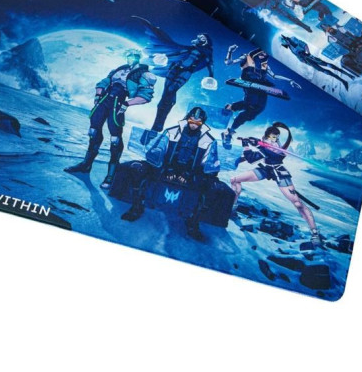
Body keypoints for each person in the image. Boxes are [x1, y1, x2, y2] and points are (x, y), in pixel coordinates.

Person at [120, 106, 219, 241]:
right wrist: (167, 168)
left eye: (198, 122)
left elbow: (209, 161)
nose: (194, 124)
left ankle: (193, 222)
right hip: (167, 167)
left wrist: (188, 174)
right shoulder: (172, 131)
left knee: (212, 186)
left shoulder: (208, 140)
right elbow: (157, 148)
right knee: (138, 169)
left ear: (202, 123)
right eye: (192, 120)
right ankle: (137, 207)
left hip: (191, 172)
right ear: (187, 119)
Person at [65, 49, 155, 189]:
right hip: (104, 100)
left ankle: (111, 175)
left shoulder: (143, 74)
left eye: (134, 56)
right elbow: (104, 82)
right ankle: (86, 165)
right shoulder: (119, 69)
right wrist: (98, 94)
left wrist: (127, 103)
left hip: (118, 103)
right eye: (129, 56)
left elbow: (146, 96)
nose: (131, 58)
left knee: (115, 139)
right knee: (93, 131)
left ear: (138, 58)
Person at [230, 122, 323, 248]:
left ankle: (315, 233)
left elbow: (276, 156)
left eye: (277, 137)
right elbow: (251, 158)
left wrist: (258, 145)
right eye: (272, 137)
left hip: (279, 171)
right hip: (266, 169)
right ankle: (233, 208)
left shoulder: (277, 147)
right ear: (267, 136)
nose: (275, 140)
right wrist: (246, 144)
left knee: (297, 203)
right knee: (234, 180)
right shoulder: (263, 143)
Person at [221, 46, 300, 148]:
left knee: (257, 109)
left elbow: (274, 76)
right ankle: (231, 111)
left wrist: (290, 80)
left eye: (265, 54)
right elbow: (228, 62)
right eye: (261, 53)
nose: (263, 55)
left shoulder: (265, 65)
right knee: (251, 103)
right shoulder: (246, 58)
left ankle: (229, 128)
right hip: (249, 81)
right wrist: (230, 51)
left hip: (262, 87)